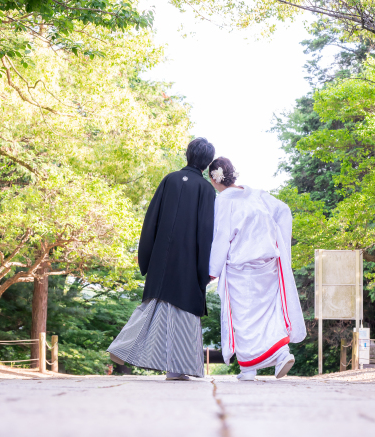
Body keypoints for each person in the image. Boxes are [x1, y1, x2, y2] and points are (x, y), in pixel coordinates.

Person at [108, 137, 217, 380]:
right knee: (184, 313)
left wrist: (147, 256)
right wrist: (204, 269)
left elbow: (151, 220)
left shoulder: (169, 179)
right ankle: (178, 369)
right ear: (207, 162)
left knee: (155, 305)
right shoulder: (206, 189)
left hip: (161, 256)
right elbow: (206, 231)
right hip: (188, 260)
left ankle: (121, 347)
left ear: (188, 154)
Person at [208, 157, 306, 381]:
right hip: (267, 264)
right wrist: (279, 238)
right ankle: (269, 359)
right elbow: (283, 211)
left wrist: (212, 270)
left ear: (214, 179)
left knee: (243, 319)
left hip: (241, 268)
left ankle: (256, 366)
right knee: (269, 314)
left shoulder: (223, 201)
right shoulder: (258, 194)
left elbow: (222, 236)